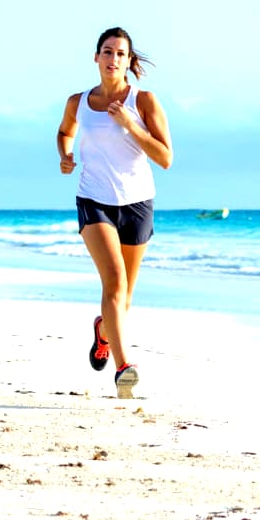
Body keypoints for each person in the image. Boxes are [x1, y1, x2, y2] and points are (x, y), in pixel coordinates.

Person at [56, 27, 173, 399]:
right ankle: (124, 367)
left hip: (137, 203)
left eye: (121, 54)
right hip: (94, 200)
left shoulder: (145, 102)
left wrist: (129, 125)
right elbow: (64, 132)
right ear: (96, 58)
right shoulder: (78, 102)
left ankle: (103, 332)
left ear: (128, 61)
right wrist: (65, 155)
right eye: (107, 52)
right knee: (114, 283)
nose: (113, 59)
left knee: (124, 298)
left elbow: (165, 158)